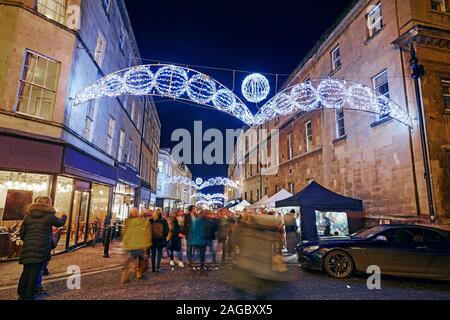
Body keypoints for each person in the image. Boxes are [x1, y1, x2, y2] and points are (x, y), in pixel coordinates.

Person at [18, 196, 67, 300]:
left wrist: (28, 240)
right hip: (42, 246)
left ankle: (21, 291)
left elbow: (22, 233)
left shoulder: (28, 215)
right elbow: (60, 223)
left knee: (26, 270)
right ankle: (28, 295)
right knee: (35, 271)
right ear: (48, 203)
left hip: (28, 246)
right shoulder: (49, 216)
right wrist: (64, 216)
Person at [121, 208, 151, 285]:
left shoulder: (128, 222)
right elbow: (147, 234)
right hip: (140, 245)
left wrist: (125, 243)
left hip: (130, 246)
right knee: (144, 260)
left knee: (128, 262)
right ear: (138, 214)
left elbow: (125, 234)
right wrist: (147, 244)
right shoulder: (143, 221)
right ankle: (139, 273)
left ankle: (125, 276)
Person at [188, 209, 208, 274]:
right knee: (199, 255)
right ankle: (195, 266)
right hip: (198, 240)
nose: (206, 215)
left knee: (200, 255)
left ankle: (200, 267)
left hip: (200, 240)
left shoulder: (201, 221)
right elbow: (194, 231)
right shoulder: (198, 221)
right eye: (205, 214)